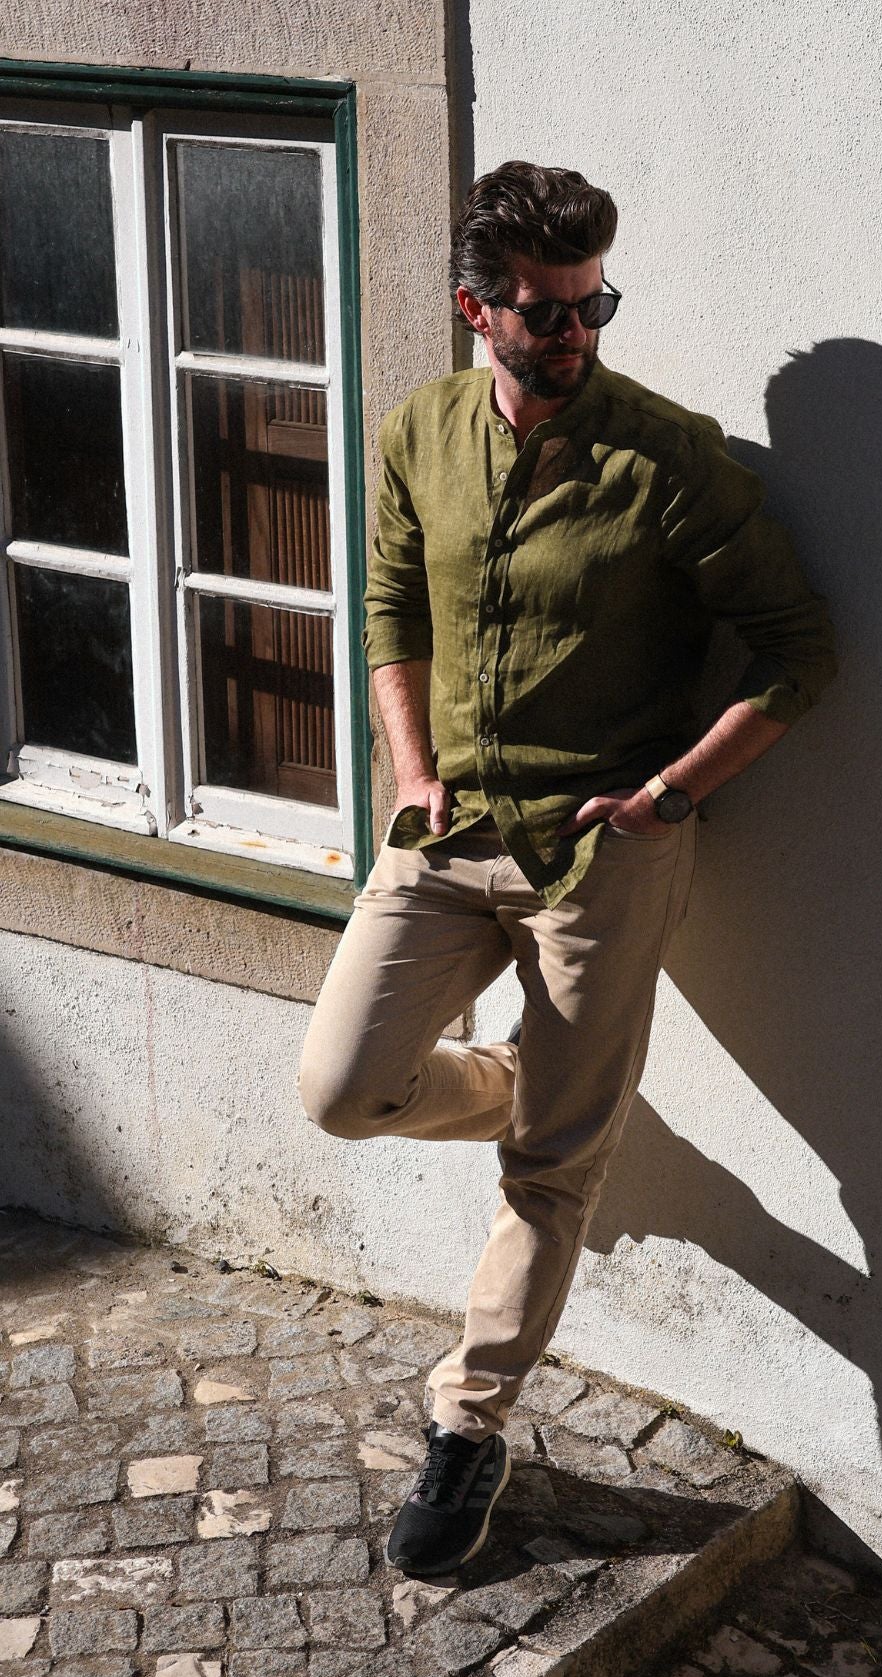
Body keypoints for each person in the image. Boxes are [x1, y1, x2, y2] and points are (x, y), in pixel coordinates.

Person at [298, 160, 836, 1576]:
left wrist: (670, 795)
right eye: (547, 310)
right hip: (445, 837)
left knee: (550, 1173)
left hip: (600, 862)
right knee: (342, 1089)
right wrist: (410, 770)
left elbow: (800, 651)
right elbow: (390, 606)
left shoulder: (667, 461)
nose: (577, 331)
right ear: (477, 308)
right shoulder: (419, 432)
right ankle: (532, 1089)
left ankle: (468, 1424)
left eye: (595, 302)